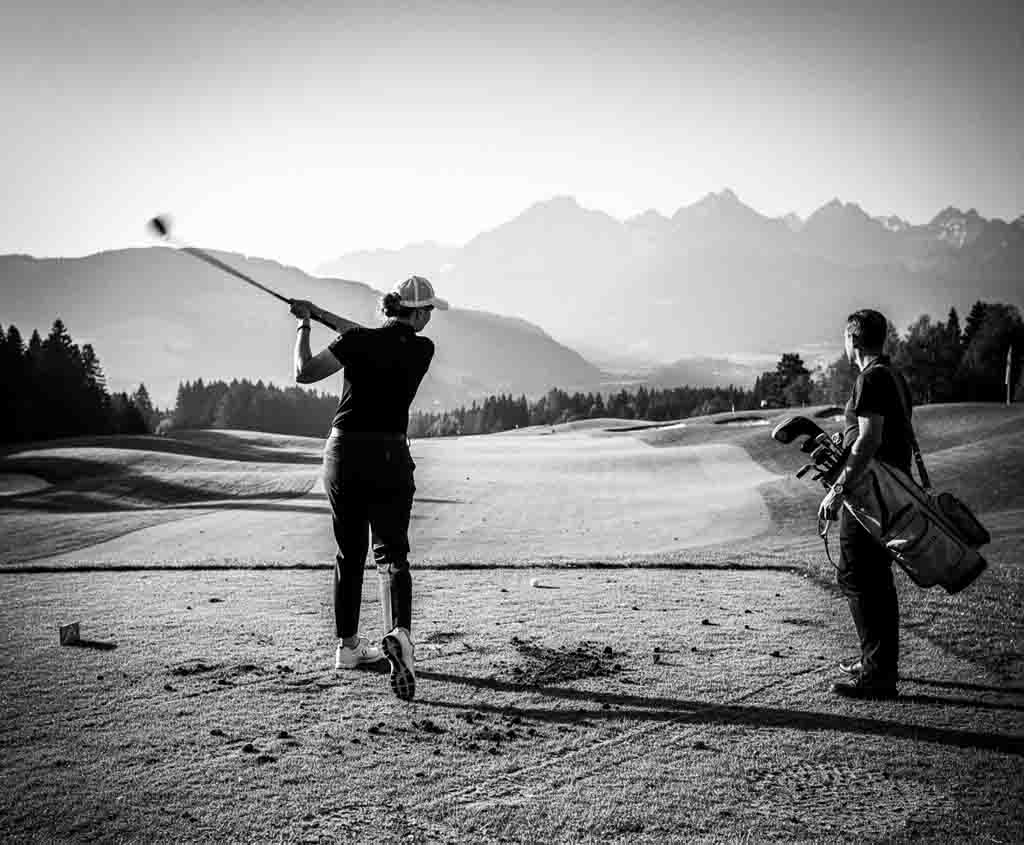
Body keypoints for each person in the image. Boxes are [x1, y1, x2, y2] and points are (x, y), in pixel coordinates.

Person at [290, 276, 448, 701]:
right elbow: (367, 336)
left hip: (343, 453)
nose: (431, 316)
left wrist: (306, 324)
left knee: (349, 551)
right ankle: (399, 635)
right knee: (393, 553)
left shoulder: (358, 341)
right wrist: (319, 314)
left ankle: (346, 647)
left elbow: (305, 372)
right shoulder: (421, 348)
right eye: (428, 310)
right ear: (414, 314)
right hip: (390, 455)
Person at [818, 308, 913, 700]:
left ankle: (878, 674)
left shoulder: (871, 377)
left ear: (853, 340)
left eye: (845, 338)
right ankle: (876, 662)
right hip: (885, 491)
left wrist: (838, 489)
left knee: (859, 577)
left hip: (871, 494)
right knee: (872, 578)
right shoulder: (892, 375)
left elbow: (871, 438)